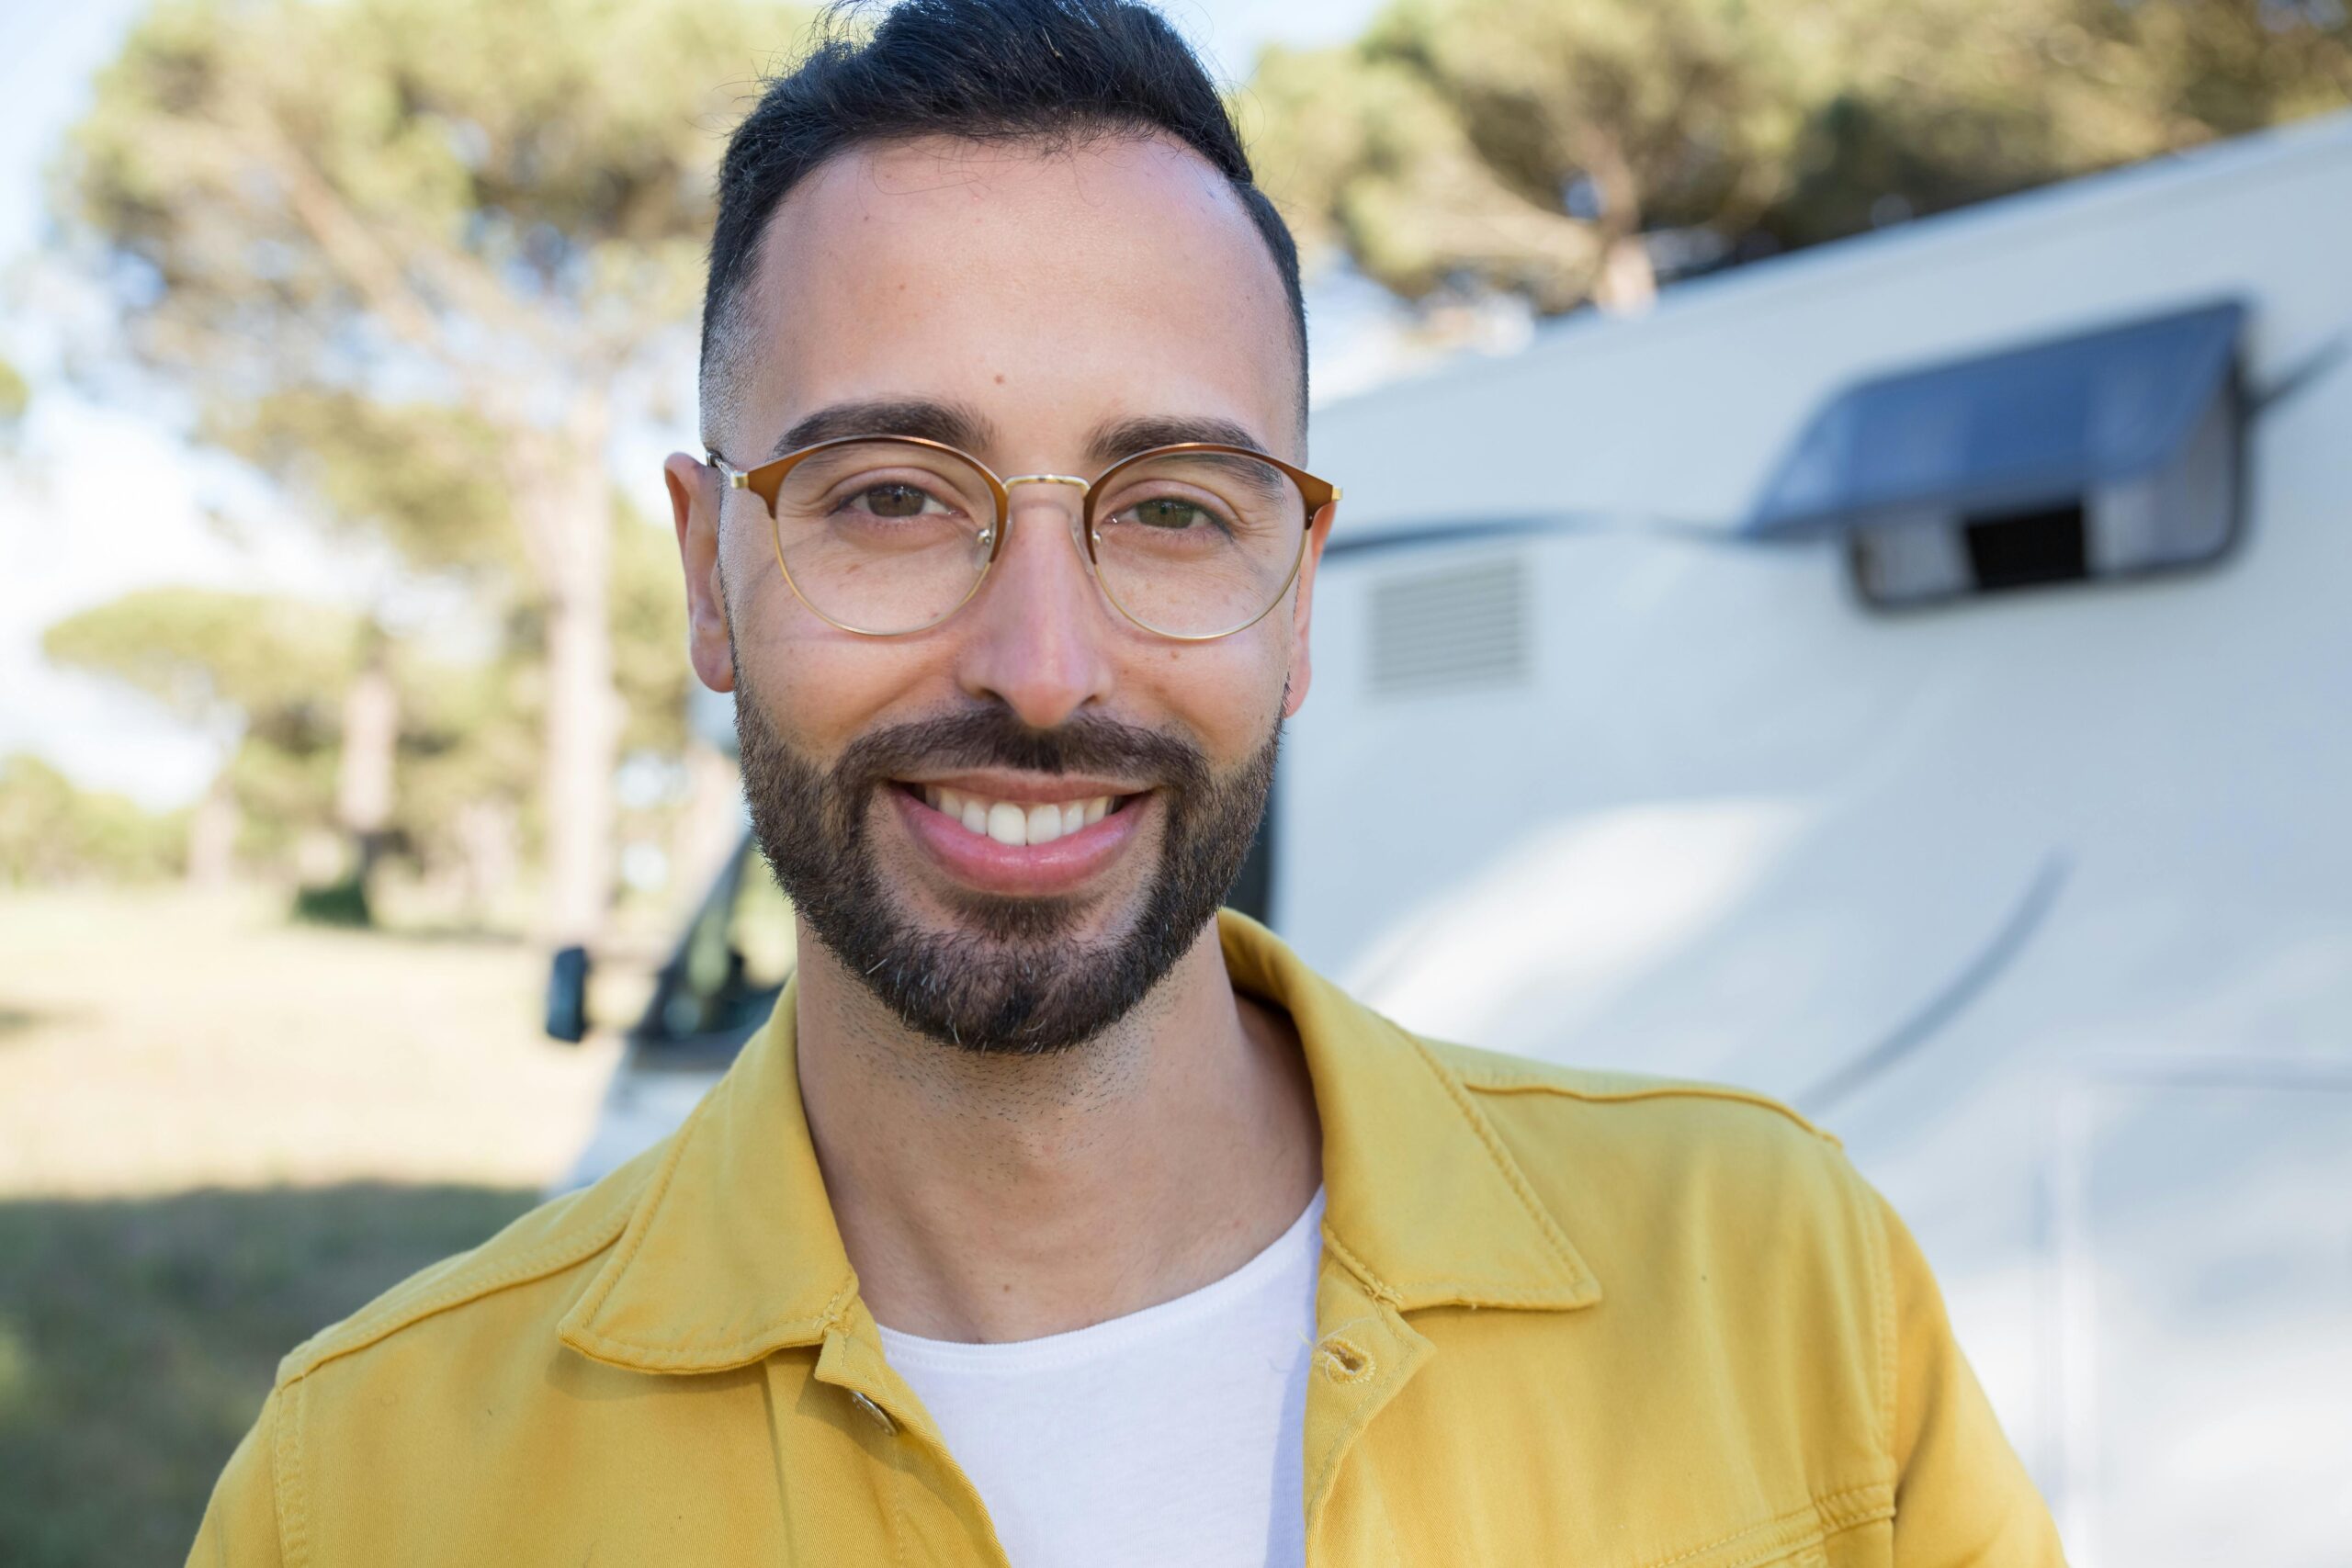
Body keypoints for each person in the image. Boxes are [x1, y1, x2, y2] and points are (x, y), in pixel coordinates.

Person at [187, 0, 2067, 1562]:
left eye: (1170, 510)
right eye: (892, 497)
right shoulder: (359, 1483)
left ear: (1298, 595)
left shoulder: (1777, 1280)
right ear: (705, 573)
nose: (1041, 665)